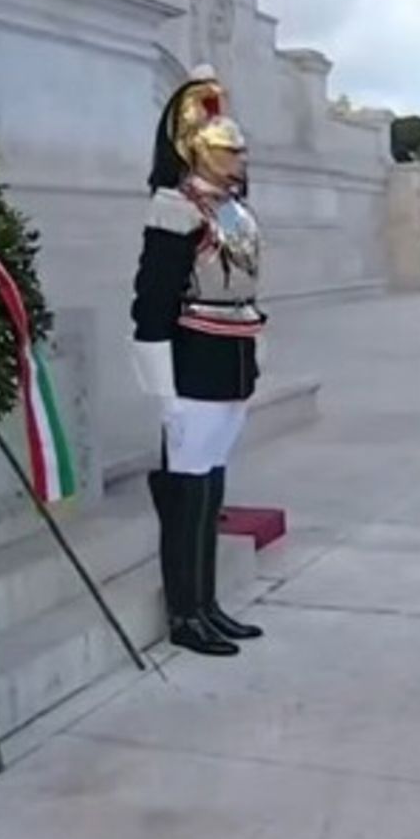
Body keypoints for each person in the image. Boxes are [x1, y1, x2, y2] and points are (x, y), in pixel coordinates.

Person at [131, 66, 266, 657]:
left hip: (229, 353)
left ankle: (207, 604)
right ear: (196, 150)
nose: (238, 158)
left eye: (239, 149)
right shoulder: (175, 209)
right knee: (186, 495)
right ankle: (185, 613)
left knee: (211, 488)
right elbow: (151, 306)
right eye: (225, 149)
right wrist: (164, 395)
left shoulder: (232, 210)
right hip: (192, 358)